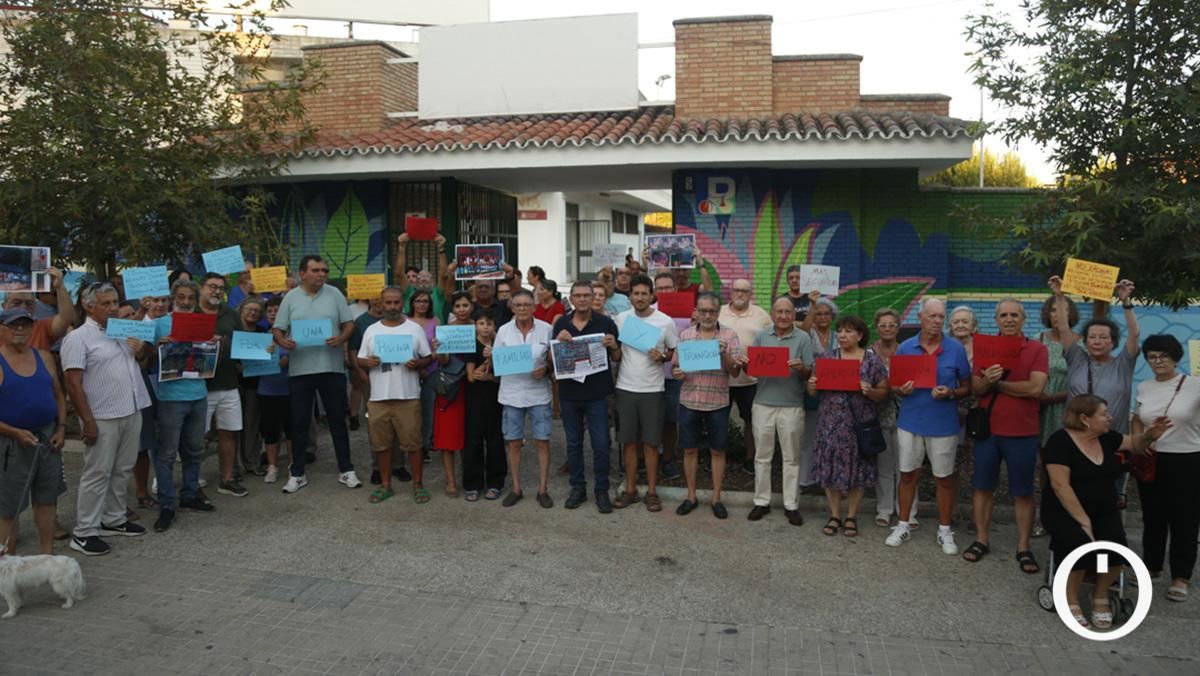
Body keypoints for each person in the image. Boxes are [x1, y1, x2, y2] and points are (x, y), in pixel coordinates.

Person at [1042, 394, 1170, 628]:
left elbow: (1134, 443)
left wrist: (1151, 435)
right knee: (1080, 544)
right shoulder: (1059, 442)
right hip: (1064, 511)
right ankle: (1070, 599)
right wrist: (1083, 521)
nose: (1110, 418)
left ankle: (1099, 595)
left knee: (1115, 547)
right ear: (1085, 419)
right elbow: (1060, 486)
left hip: (1102, 510)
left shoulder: (1107, 438)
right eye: (1104, 414)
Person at [62, 282, 152, 554]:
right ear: (89, 306)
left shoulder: (123, 330)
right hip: (101, 415)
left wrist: (140, 350)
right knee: (97, 473)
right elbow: (73, 384)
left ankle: (114, 518)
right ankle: (84, 531)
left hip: (132, 408)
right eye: (106, 303)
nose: (113, 308)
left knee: (122, 468)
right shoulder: (78, 338)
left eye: (115, 302)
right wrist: (87, 421)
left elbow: (141, 357)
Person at [966, 298, 1048, 573]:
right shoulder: (986, 347)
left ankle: (1023, 546)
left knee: (1023, 491)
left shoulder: (1037, 349)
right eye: (1004, 315)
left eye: (1014, 315)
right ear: (996, 320)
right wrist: (986, 381)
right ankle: (981, 539)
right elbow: (976, 388)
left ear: (1023, 319)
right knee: (982, 486)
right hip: (989, 431)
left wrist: (998, 384)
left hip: (1022, 431)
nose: (1009, 319)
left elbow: (1035, 388)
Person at [886, 299, 971, 552]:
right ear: (920, 317)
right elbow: (893, 385)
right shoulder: (905, 348)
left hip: (944, 424)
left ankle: (945, 529)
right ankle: (902, 524)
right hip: (911, 421)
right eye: (932, 316)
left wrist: (951, 393)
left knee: (943, 478)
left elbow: (967, 386)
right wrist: (901, 389)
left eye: (940, 317)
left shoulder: (955, 349)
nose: (937, 321)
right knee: (908, 475)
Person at [271, 255, 361, 494]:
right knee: (299, 423)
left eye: (324, 270)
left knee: (336, 422)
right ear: (303, 273)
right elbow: (278, 328)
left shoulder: (335, 294)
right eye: (316, 270)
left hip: (331, 368)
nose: (322, 274)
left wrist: (341, 338)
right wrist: (283, 342)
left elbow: (349, 324)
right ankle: (297, 473)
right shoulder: (290, 297)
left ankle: (346, 470)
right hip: (300, 370)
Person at [1049, 275, 1140, 508]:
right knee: (1077, 494)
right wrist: (1059, 296)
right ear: (1085, 341)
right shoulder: (1077, 359)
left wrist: (1126, 302)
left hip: (1113, 441)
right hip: (1076, 441)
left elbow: (1134, 335)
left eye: (1103, 337)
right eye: (1092, 337)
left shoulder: (1123, 364)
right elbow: (1063, 326)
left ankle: (1109, 542)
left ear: (1113, 342)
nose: (1097, 341)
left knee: (1111, 499)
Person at [1132, 335, 1200, 602]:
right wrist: (1140, 441)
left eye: (1164, 356)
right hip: (1153, 458)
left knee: (1185, 520)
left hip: (1188, 459)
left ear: (1175, 357)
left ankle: (1181, 576)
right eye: (1152, 357)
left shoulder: (1194, 385)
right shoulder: (1145, 387)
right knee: (1153, 517)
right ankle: (1152, 566)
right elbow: (1137, 418)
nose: (1158, 361)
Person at [806, 316, 888, 537]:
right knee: (830, 468)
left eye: (849, 331)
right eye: (840, 331)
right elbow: (813, 391)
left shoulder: (872, 361)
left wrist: (870, 391)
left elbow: (883, 392)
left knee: (858, 471)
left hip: (859, 425)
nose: (843, 335)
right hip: (830, 425)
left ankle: (851, 516)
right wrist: (812, 385)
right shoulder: (827, 358)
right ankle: (834, 515)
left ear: (860, 335)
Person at [150, 279, 217, 532]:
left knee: (194, 450)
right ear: (173, 297)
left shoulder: (202, 322)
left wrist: (212, 344)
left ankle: (189, 495)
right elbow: (143, 358)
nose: (186, 302)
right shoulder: (159, 324)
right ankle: (167, 504)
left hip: (198, 394)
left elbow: (207, 356)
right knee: (166, 454)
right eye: (181, 297)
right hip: (170, 397)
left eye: (190, 297)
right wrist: (158, 346)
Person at [357, 287, 433, 505]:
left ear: (403, 304)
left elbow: (427, 358)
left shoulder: (414, 329)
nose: (392, 307)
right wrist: (367, 362)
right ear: (380, 304)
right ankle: (386, 485)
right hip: (378, 397)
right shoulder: (371, 330)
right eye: (388, 303)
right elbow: (360, 359)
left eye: (396, 303)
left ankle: (418, 485)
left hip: (408, 396)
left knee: (413, 444)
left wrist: (417, 363)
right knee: (381, 445)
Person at [0, 307, 67, 555]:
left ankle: (47, 556)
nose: (20, 330)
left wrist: (61, 428)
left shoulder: (43, 356)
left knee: (47, 499)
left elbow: (59, 395)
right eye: (14, 325)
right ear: (1, 329)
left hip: (47, 438)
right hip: (10, 443)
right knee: (9, 507)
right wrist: (15, 432)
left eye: (25, 325)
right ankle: (7, 563)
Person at [552, 282, 621, 513]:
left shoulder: (605, 323)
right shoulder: (562, 323)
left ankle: (601, 490)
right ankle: (578, 488)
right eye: (577, 295)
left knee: (601, 444)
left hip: (597, 393)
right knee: (573, 443)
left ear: (593, 298)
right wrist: (558, 342)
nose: (582, 299)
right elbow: (553, 360)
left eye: (586, 295)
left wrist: (612, 346)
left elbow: (618, 356)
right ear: (570, 298)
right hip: (570, 393)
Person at [612, 274, 679, 512]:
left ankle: (651, 492)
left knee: (651, 443)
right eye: (635, 293)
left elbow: (673, 351)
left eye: (644, 293)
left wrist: (662, 357)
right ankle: (630, 489)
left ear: (652, 295)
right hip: (626, 387)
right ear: (629, 295)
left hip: (653, 389)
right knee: (629, 442)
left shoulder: (665, 322)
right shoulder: (621, 319)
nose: (639, 298)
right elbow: (616, 353)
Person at [745, 297, 814, 525]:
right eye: (779, 312)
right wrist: (746, 363)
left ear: (794, 315)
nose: (783, 316)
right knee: (762, 456)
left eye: (788, 312)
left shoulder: (803, 338)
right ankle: (761, 502)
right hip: (763, 402)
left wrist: (801, 368)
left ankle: (791, 504)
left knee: (791, 457)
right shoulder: (762, 336)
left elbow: (809, 372)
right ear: (773, 314)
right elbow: (752, 367)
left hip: (792, 405)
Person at [672, 292, 741, 518]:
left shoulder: (729, 336)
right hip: (690, 400)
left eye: (712, 311)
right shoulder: (686, 335)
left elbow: (736, 371)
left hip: (718, 401)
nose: (708, 315)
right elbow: (675, 368)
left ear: (718, 312)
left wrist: (725, 356)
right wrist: (678, 373)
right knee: (690, 449)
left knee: (717, 450)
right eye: (703, 311)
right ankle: (691, 496)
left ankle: (716, 498)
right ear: (697, 311)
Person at [495, 289, 554, 507]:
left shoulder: (546, 330)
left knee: (542, 441)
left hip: (539, 393)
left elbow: (553, 360)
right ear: (512, 308)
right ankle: (516, 488)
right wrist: (489, 358)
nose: (522, 309)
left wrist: (546, 369)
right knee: (512, 442)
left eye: (526, 305)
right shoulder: (503, 331)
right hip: (511, 393)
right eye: (517, 305)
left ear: (534, 307)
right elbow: (497, 362)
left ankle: (542, 489)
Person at [197, 273, 248, 497]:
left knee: (229, 433)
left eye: (220, 287)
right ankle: (192, 481)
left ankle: (227, 479)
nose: (216, 291)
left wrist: (261, 350)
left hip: (228, 384)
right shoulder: (191, 313)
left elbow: (243, 343)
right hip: (200, 387)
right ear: (201, 288)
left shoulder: (231, 313)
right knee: (196, 437)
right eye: (212, 286)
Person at [718, 280, 772, 475]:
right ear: (730, 293)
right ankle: (719, 458)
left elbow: (770, 342)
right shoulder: (719, 311)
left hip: (750, 379)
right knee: (718, 420)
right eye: (736, 290)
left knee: (751, 420)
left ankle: (751, 458)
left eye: (744, 291)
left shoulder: (761, 315)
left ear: (751, 294)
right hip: (720, 377)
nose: (739, 294)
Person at [462, 308, 507, 502]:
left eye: (489, 323)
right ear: (475, 326)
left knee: (495, 440)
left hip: (496, 398)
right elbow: (471, 377)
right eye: (481, 323)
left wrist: (491, 371)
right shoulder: (472, 345)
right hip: (474, 399)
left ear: (494, 326)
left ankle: (495, 483)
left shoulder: (501, 344)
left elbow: (501, 377)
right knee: (473, 441)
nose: (485, 327)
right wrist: (487, 360)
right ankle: (473, 484)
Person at [869, 307, 906, 528]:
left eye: (891, 324)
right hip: (879, 414)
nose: (887, 328)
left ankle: (906, 510)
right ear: (877, 327)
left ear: (898, 327)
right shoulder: (869, 353)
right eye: (883, 324)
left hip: (906, 414)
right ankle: (884, 509)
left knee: (905, 466)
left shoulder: (908, 350)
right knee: (883, 465)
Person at [430, 294, 470, 498]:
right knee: (447, 437)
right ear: (453, 308)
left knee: (468, 437)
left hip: (473, 388)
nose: (462, 308)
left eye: (465, 304)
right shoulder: (446, 331)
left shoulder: (482, 326)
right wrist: (439, 352)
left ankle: (468, 478)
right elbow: (443, 361)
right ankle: (451, 481)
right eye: (458, 305)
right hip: (450, 389)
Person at [653, 272, 688, 480]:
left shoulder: (687, 312)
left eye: (668, 287)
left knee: (670, 420)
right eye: (660, 288)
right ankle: (646, 458)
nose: (664, 291)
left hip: (676, 376)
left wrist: (696, 322)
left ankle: (668, 459)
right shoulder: (648, 313)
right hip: (650, 375)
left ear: (675, 289)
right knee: (648, 420)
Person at [1036, 294, 1080, 444]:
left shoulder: (1082, 342)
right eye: (1053, 310)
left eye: (1064, 310)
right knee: (1045, 453)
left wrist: (1059, 396)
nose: (1058, 315)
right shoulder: (1038, 340)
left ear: (1071, 314)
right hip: (1042, 407)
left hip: (1071, 407)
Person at [258, 296, 291, 485]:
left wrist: (288, 358)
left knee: (291, 429)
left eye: (276, 310)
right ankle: (272, 466)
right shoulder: (259, 337)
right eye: (269, 310)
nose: (273, 313)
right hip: (266, 390)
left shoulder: (291, 336)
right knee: (270, 430)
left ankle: (293, 464)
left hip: (288, 389)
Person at [2, 267, 75, 352]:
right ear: (4, 305)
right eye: (16, 303)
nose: (23, 307)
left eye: (29, 303)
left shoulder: (41, 327)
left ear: (35, 306)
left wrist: (60, 287)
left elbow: (66, 318)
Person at [234, 296, 267, 478]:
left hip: (255, 384)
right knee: (233, 427)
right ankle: (235, 466)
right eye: (250, 309)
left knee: (252, 425)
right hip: (234, 384)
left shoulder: (263, 332)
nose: (253, 313)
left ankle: (252, 462)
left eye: (257, 310)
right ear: (241, 310)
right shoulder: (234, 331)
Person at [407, 289, 440, 467]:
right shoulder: (404, 322)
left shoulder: (435, 322)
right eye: (418, 301)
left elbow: (439, 348)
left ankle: (425, 447)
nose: (422, 304)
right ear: (412, 303)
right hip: (409, 371)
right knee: (410, 412)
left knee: (428, 412)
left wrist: (428, 362)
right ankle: (410, 447)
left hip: (431, 371)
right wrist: (417, 366)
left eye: (425, 301)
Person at [395, 233, 449, 322]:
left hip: (435, 333)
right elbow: (399, 274)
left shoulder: (437, 293)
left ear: (433, 281)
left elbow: (444, 275)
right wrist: (402, 247)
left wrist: (441, 248)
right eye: (419, 277)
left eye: (427, 277)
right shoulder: (409, 292)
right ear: (415, 281)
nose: (423, 279)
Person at [348, 296, 383, 434]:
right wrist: (359, 371)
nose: (378, 301)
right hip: (368, 372)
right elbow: (353, 349)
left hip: (391, 373)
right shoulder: (361, 321)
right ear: (369, 300)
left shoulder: (397, 320)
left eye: (381, 299)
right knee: (372, 408)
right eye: (375, 298)